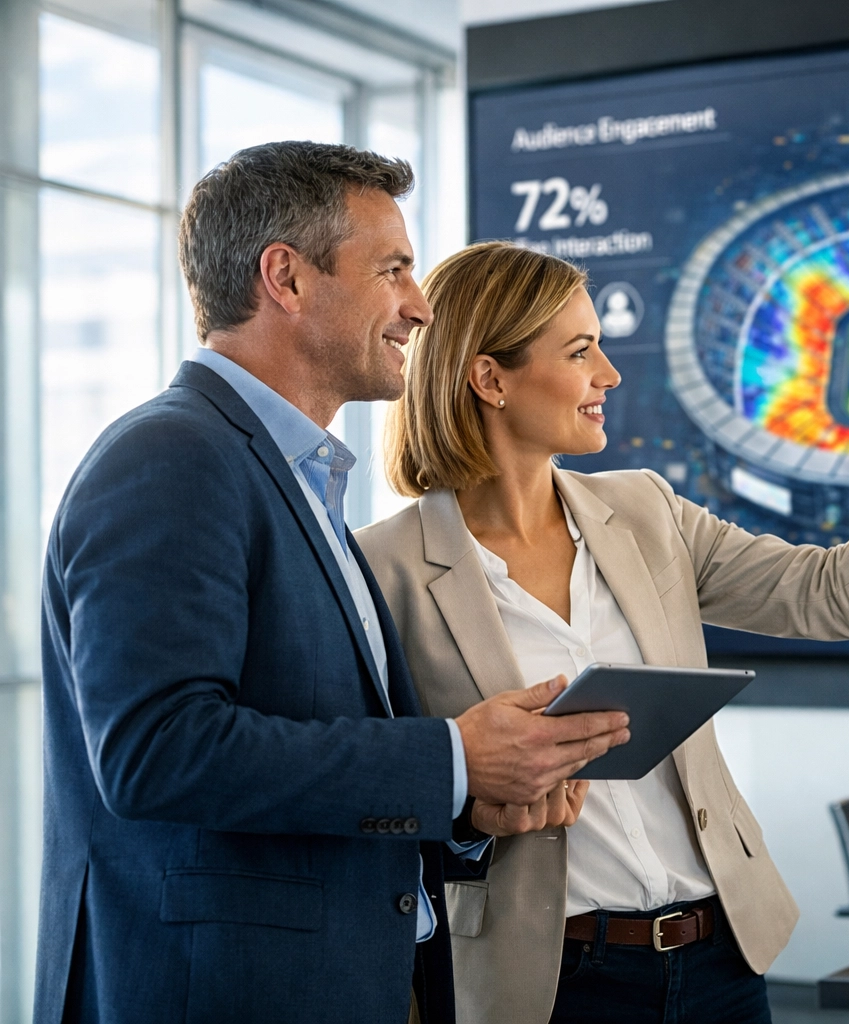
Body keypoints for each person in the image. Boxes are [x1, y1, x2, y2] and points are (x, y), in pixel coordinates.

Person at [358, 241, 849, 1024]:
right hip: (544, 983)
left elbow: (831, 594)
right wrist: (472, 803)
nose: (609, 374)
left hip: (717, 959)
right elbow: (372, 796)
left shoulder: (644, 509)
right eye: (580, 351)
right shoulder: (380, 568)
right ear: (490, 378)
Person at [34, 144, 629, 1024]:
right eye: (392, 269)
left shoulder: (301, 479)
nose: (420, 307)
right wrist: (454, 758)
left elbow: (314, 743)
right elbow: (156, 751)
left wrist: (467, 805)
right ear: (287, 278)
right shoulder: (170, 459)